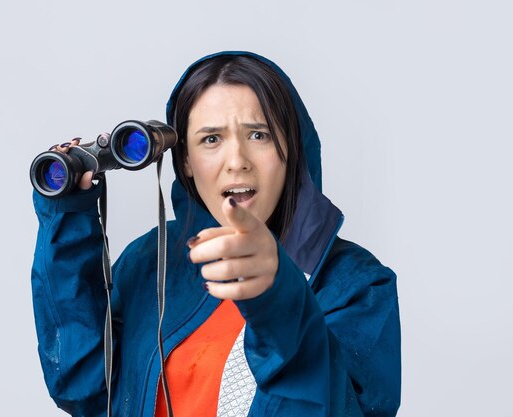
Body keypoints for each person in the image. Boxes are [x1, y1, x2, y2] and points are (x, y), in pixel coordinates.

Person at [31, 51, 401, 417]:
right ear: (187, 161)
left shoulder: (357, 285)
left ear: (292, 148)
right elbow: (86, 389)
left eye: (259, 134)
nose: (237, 160)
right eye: (211, 140)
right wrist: (68, 224)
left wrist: (278, 294)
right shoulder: (153, 259)